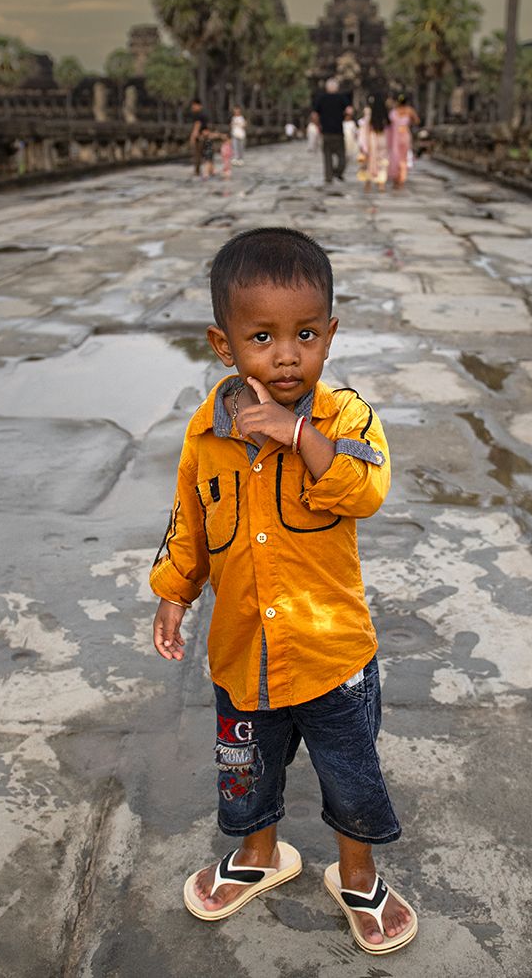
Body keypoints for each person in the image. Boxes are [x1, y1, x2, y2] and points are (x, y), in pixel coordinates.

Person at [150, 227, 417, 956]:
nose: (287, 354)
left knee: (351, 776)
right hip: (243, 655)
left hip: (331, 655)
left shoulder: (346, 419)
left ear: (330, 334)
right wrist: (174, 591)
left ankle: (357, 874)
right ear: (223, 343)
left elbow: (367, 488)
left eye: (305, 333)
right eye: (262, 336)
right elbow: (189, 522)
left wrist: (298, 434)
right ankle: (261, 853)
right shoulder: (206, 437)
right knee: (246, 770)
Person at [310, 79, 353, 183]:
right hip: (338, 131)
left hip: (326, 132)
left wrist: (318, 125)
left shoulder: (321, 98)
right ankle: (337, 172)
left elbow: (314, 115)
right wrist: (346, 119)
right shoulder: (342, 98)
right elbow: (349, 111)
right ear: (337, 88)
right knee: (342, 157)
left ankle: (328, 177)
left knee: (327, 157)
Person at [387, 94, 419, 188]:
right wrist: (409, 123)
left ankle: (396, 177)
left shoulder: (394, 112)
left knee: (395, 156)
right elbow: (417, 121)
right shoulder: (409, 111)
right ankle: (402, 178)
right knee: (403, 157)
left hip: (396, 136)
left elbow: (388, 124)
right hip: (405, 134)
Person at [359, 96, 389, 188]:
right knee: (382, 161)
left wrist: (362, 143)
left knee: (369, 161)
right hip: (383, 139)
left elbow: (364, 129)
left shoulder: (369, 114)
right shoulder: (385, 115)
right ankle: (381, 183)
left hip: (372, 139)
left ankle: (368, 183)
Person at [188, 98, 210, 179]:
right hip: (204, 136)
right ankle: (204, 170)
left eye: (194, 106)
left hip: (200, 137)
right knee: (204, 154)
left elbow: (197, 126)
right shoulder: (204, 114)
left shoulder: (198, 115)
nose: (192, 107)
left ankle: (197, 171)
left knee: (197, 154)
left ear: (198, 105)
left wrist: (193, 137)